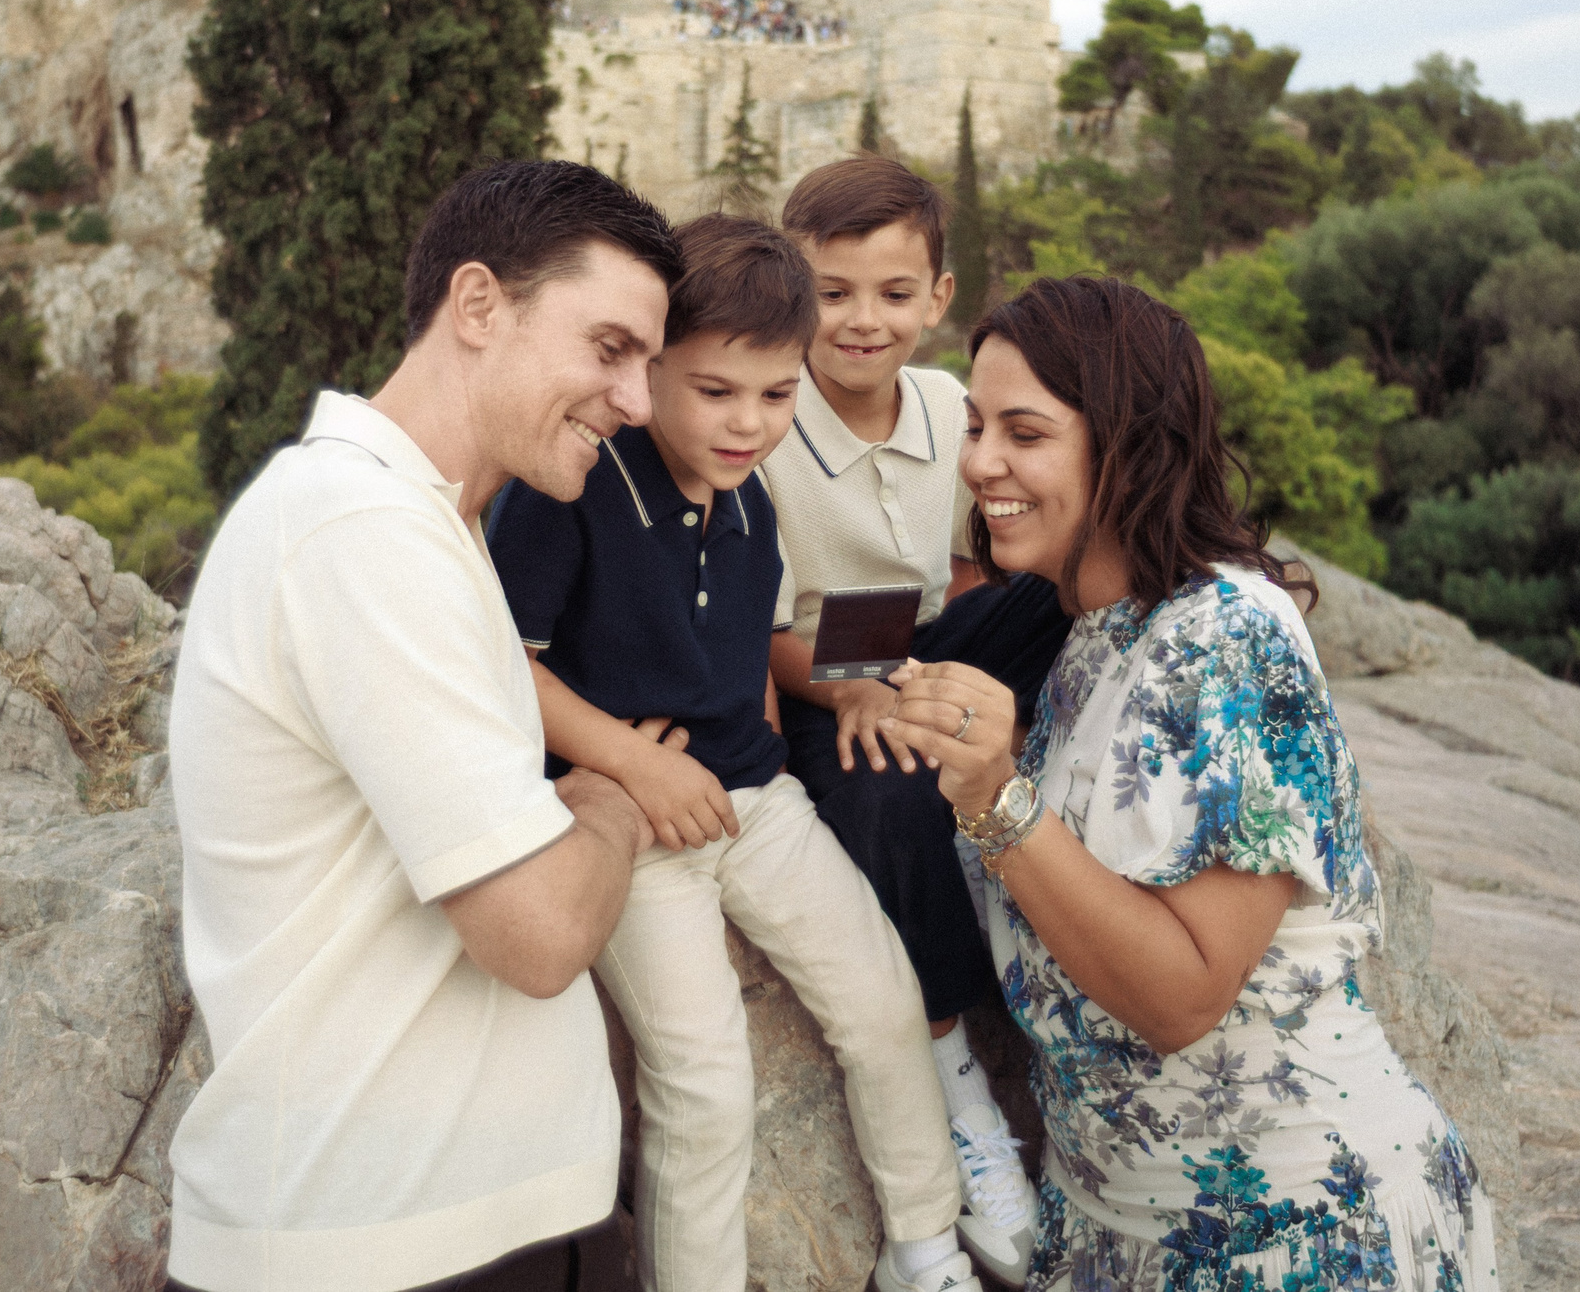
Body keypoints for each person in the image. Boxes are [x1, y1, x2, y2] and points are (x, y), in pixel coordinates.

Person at [875, 276, 1499, 1292]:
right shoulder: (1087, 633)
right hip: (1110, 1233)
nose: (979, 461)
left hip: (1295, 1241)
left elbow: (1183, 995)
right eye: (975, 425)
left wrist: (994, 797)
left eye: (1024, 433)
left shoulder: (1231, 636)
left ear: (1129, 447)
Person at [164, 161, 685, 1292]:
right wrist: (607, 799)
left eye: (647, 364)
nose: (639, 403)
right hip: (382, 1245)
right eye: (610, 349)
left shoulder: (426, 526)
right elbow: (540, 931)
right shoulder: (361, 530)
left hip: (471, 1223)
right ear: (480, 305)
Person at [488, 214, 981, 1292]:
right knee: (704, 1085)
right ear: (650, 366)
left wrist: (803, 737)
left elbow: (749, 646)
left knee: (884, 1001)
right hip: (629, 825)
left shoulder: (752, 496)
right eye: (714, 390)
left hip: (755, 799)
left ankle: (926, 1244)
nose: (748, 422)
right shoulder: (573, 486)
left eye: (776, 393)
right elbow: (502, 667)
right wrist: (631, 764)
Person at [760, 156, 1068, 1284]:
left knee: (1061, 598)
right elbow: (757, 630)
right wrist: (850, 688)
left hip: (921, 648)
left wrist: (941, 678)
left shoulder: (945, 404)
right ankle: (960, 1091)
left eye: (894, 294)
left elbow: (968, 560)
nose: (862, 321)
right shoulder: (764, 414)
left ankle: (1053, 802)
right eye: (831, 292)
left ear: (938, 297)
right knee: (890, 794)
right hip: (817, 679)